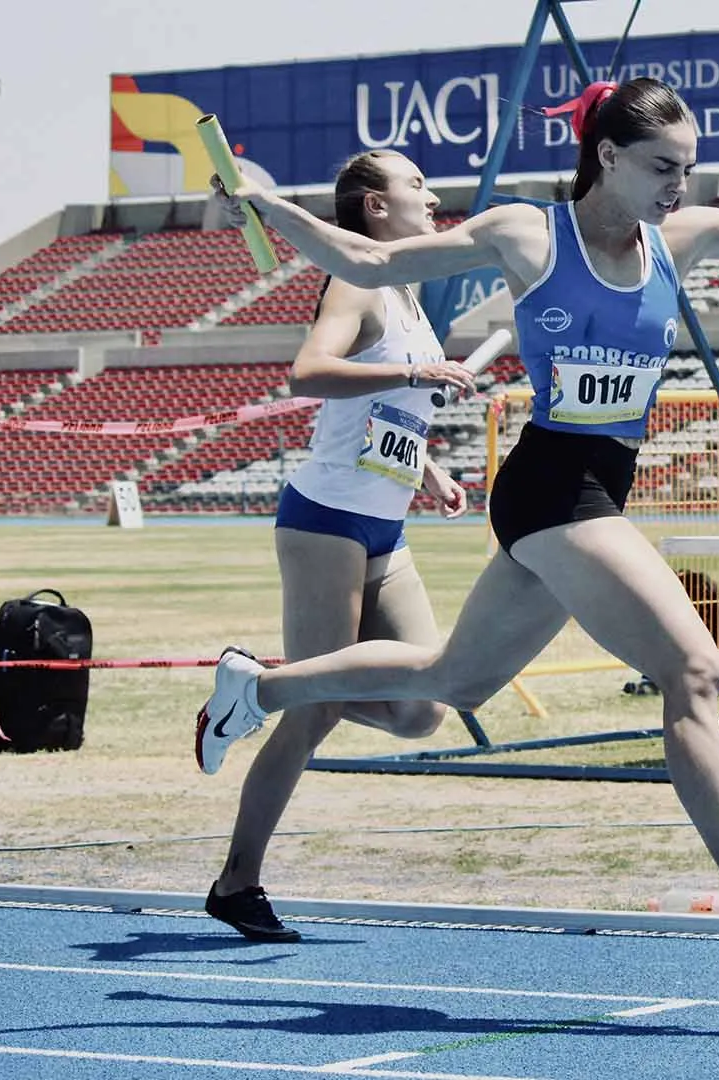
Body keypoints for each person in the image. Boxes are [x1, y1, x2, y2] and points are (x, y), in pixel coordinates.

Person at [197, 78, 719, 959]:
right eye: (664, 166)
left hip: (596, 489)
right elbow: (374, 265)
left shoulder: (680, 242)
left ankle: (260, 686)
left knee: (453, 681)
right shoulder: (527, 232)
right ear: (608, 156)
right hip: (552, 485)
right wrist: (265, 202)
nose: (680, 185)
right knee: (694, 666)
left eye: (689, 168)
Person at [201, 149, 476, 943]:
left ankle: (256, 688)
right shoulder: (356, 281)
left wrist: (428, 470)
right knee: (312, 718)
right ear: (373, 209)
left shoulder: (407, 292)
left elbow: (391, 409)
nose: (430, 195)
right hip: (325, 518)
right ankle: (237, 880)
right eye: (414, 184)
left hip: (384, 523)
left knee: (426, 703)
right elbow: (309, 373)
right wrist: (421, 370)